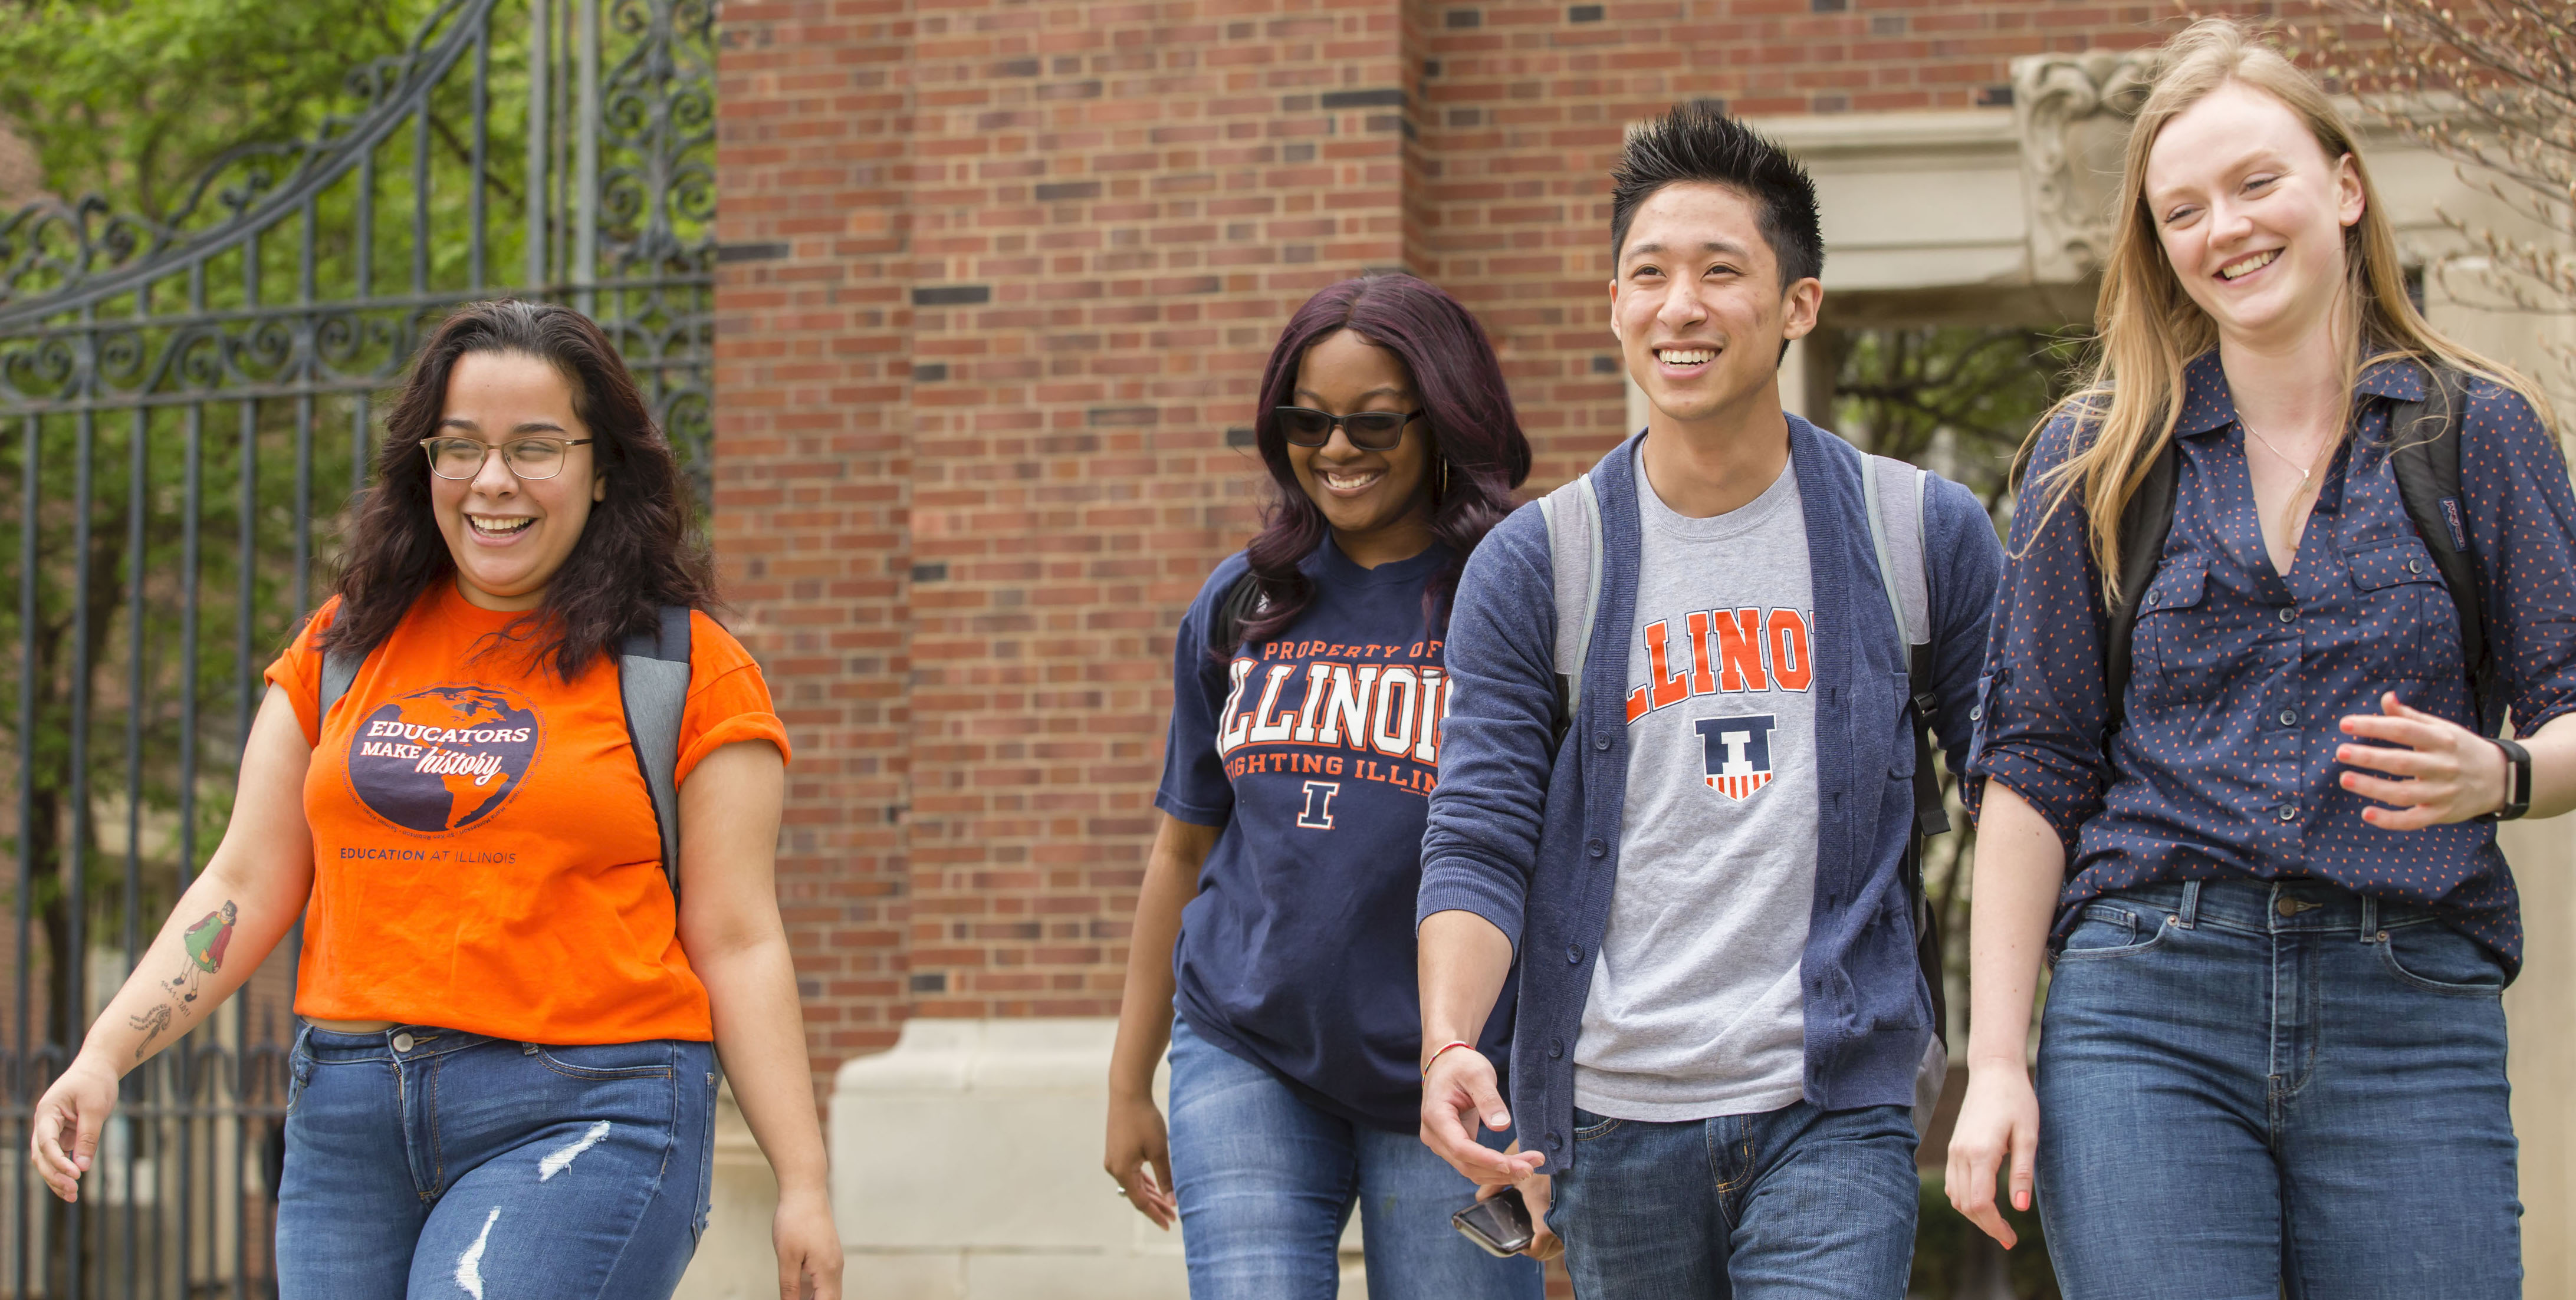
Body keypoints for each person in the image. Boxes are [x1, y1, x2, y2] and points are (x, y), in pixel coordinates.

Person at [27, 300, 845, 1300]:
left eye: (535, 447)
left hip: (589, 1109)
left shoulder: (686, 671)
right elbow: (241, 881)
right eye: (461, 446)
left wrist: (803, 1180)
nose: (493, 480)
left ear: (602, 468)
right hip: (349, 1116)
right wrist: (106, 1052)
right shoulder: (342, 650)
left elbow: (739, 936)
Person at [1946, 19, 2576, 1299]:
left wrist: (2503, 774)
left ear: (2343, 188)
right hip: (2146, 1009)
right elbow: (2032, 768)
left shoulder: (2481, 432)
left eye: (2254, 184)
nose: (2224, 228)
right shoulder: (2097, 456)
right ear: (2160, 244)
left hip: (2408, 1004)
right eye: (2183, 209)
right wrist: (1997, 1060)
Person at [1414, 103, 2002, 1299]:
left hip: (1831, 1100)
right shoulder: (1541, 564)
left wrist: (2011, 1051)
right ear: (1617, 304)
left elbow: (2020, 796)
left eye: (1720, 271)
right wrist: (1452, 1040)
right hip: (1615, 1118)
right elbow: (1478, 831)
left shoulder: (1919, 533)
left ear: (1799, 304)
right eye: (1648, 274)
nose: (1678, 306)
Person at [1102, 273, 1543, 1300]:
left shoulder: (1514, 596)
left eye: (1373, 422)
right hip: (1245, 1040)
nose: (1336, 450)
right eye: (1308, 420)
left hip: (1458, 1066)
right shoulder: (1245, 599)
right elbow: (1184, 846)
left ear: (1445, 419)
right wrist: (1130, 1078)